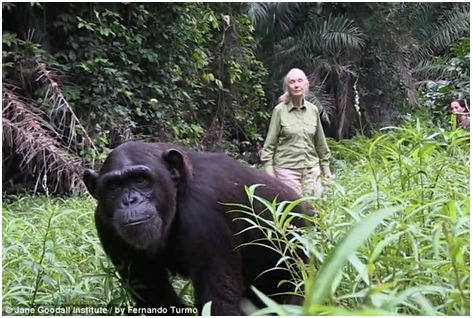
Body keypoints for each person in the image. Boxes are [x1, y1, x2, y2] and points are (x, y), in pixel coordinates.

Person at [260, 68, 333, 198]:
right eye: (292, 82)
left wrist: (326, 168)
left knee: (316, 207)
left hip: (311, 169)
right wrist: (269, 171)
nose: (296, 85)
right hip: (286, 170)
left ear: (306, 84)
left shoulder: (313, 110)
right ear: (287, 87)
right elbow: (269, 144)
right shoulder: (279, 111)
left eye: (300, 81)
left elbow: (320, 142)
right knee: (295, 210)